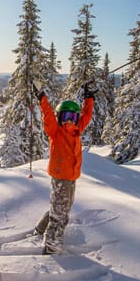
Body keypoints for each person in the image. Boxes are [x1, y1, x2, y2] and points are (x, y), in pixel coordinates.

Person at [32, 81, 95, 254]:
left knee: (61, 206)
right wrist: (41, 97)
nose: (69, 121)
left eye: (73, 117)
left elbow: (87, 116)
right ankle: (52, 245)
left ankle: (40, 228)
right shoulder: (55, 131)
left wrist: (89, 98)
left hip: (71, 177)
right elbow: (48, 115)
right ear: (59, 118)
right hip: (61, 177)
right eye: (65, 116)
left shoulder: (76, 130)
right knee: (61, 213)